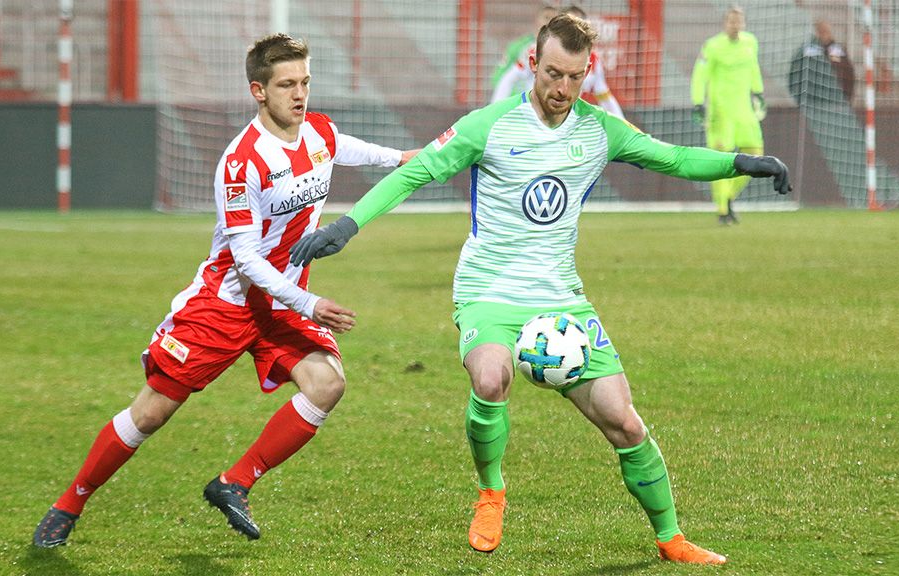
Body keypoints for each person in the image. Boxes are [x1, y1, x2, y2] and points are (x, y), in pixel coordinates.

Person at [290, 13, 789, 564]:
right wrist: (345, 226)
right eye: (553, 74)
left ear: (587, 72)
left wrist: (745, 162)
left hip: (560, 297)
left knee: (623, 421)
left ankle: (671, 538)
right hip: (488, 289)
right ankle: (492, 491)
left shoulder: (598, 130)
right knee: (489, 375)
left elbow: (672, 158)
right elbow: (417, 172)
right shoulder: (489, 124)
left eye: (575, 77)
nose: (563, 88)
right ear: (533, 64)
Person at [32, 33, 417, 547]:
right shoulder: (241, 164)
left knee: (327, 386)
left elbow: (342, 148)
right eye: (286, 85)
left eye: (304, 82)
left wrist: (400, 157)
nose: (299, 95)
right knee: (151, 413)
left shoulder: (318, 130)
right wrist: (310, 302)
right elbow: (247, 258)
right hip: (226, 305)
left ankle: (234, 482)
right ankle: (68, 505)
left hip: (278, 305)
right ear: (258, 90)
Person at [690, 6, 766, 225]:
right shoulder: (712, 46)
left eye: (739, 21)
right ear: (725, 24)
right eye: (732, 21)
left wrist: (758, 91)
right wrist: (697, 102)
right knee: (721, 160)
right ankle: (723, 210)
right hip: (720, 112)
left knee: (755, 155)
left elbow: (754, 68)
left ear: (743, 23)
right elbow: (699, 75)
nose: (735, 25)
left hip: (744, 111)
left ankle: (728, 196)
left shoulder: (750, 42)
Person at [491, 6, 624, 119]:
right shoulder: (537, 51)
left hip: (569, 122)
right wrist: (494, 113)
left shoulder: (593, 60)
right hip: (534, 118)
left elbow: (604, 96)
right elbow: (507, 79)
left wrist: (624, 125)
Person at [490, 3, 558, 100]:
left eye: (553, 19)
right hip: (515, 100)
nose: (549, 22)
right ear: (537, 20)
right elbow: (499, 75)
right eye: (546, 17)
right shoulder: (519, 46)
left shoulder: (559, 49)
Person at [788, 20, 856, 106]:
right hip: (813, 99)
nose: (824, 34)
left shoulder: (836, 50)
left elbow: (847, 74)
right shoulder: (808, 50)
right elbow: (796, 71)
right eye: (821, 31)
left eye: (826, 31)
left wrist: (847, 97)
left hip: (834, 100)